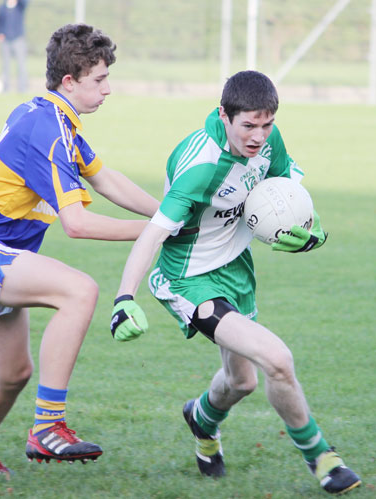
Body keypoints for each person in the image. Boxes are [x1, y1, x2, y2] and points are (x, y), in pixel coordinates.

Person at [110, 70, 361, 495]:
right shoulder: (199, 165)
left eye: (267, 124)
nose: (259, 136)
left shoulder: (267, 140)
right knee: (277, 359)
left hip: (235, 269)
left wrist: (310, 230)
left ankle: (202, 419)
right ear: (223, 115)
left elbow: (284, 194)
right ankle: (322, 458)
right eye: (248, 125)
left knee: (241, 381)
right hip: (188, 279)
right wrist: (123, 298)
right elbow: (153, 233)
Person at [0, 23, 159, 478]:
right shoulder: (49, 127)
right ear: (69, 81)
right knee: (79, 290)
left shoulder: (55, 121)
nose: (108, 89)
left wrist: (169, 216)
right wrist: (153, 233)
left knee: (13, 372)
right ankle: (48, 426)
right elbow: (76, 224)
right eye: (99, 80)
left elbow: (104, 178)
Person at [0, 0, 29, 93]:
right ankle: (6, 88)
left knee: (21, 65)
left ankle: (22, 88)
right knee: (5, 65)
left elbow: (26, 2)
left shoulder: (19, 6)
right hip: (5, 40)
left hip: (18, 39)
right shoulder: (2, 7)